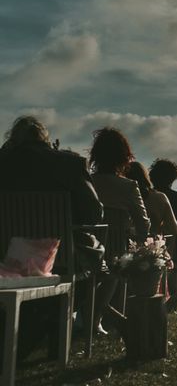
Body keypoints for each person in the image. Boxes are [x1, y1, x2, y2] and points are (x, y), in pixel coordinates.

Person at [0, 116, 104, 359]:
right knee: (95, 262)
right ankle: (54, 332)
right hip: (56, 257)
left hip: (5, 257)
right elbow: (93, 213)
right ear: (45, 140)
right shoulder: (68, 163)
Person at [0, 116, 103, 224]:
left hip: (7, 240)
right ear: (45, 139)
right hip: (61, 240)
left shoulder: (5, 163)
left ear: (12, 139)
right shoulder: (71, 164)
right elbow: (94, 214)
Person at [89, 128, 151, 240]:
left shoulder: (88, 182)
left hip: (89, 250)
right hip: (120, 251)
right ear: (123, 157)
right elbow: (143, 225)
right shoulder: (129, 186)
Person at [149, 159, 177, 307]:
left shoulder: (145, 196)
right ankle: (174, 296)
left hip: (147, 250)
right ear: (173, 178)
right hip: (174, 251)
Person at [126, 161, 177, 236]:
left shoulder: (121, 196)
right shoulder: (160, 197)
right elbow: (173, 229)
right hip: (151, 244)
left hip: (124, 243)